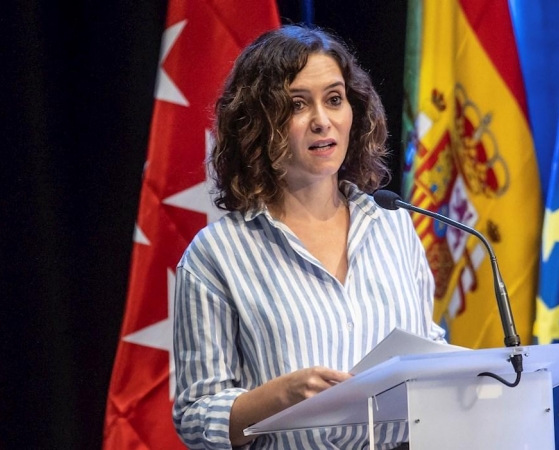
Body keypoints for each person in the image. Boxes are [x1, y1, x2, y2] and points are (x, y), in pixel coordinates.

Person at [172, 25, 445, 450]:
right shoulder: (216, 255)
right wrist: (279, 397)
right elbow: (194, 415)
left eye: (334, 99)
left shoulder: (393, 225)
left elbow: (428, 350)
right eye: (297, 105)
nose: (322, 121)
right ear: (257, 124)